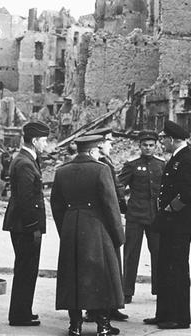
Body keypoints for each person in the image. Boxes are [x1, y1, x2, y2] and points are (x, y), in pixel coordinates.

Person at [50, 135, 125, 336]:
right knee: (100, 275)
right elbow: (111, 205)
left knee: (72, 275)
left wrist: (65, 228)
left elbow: (56, 205)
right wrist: (118, 235)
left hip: (71, 227)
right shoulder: (101, 169)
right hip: (96, 228)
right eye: (98, 151)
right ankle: (103, 326)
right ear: (93, 151)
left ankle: (74, 326)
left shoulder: (61, 171)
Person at [144, 121, 191, 330]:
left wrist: (167, 212)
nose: (162, 142)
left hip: (178, 224)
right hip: (170, 224)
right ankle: (164, 314)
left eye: (164, 139)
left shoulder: (186, 159)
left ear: (174, 139)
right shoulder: (177, 158)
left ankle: (179, 317)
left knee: (176, 270)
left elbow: (186, 195)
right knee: (165, 269)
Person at [2, 121, 51, 327]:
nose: (46, 144)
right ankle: (19, 315)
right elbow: (25, 199)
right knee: (25, 270)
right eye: (44, 140)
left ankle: (23, 311)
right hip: (25, 227)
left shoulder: (27, 159)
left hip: (24, 225)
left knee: (27, 270)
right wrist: (34, 227)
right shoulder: (24, 163)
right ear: (34, 141)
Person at [84, 127, 129, 322]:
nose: (111, 145)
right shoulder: (100, 164)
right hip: (104, 220)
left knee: (111, 265)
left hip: (109, 217)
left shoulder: (106, 162)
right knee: (104, 266)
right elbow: (110, 193)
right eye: (109, 141)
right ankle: (99, 309)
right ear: (100, 144)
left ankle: (111, 306)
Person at [116, 130, 164, 304]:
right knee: (131, 253)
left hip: (155, 217)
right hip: (135, 215)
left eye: (151, 145)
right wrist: (124, 207)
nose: (148, 148)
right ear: (140, 146)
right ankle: (127, 291)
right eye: (145, 145)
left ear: (156, 146)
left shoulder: (161, 165)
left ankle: (159, 289)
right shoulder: (132, 165)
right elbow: (118, 186)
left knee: (158, 253)